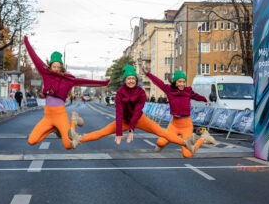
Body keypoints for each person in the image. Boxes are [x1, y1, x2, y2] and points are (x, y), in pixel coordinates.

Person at [68, 65, 196, 153]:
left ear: (136, 80)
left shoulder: (141, 92)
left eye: (133, 79)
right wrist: (119, 132)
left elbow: (136, 113)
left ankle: (185, 143)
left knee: (162, 132)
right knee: (103, 132)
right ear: (125, 80)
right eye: (128, 79)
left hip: (140, 119)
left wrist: (131, 131)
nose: (131, 81)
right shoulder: (120, 92)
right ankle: (79, 139)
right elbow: (118, 113)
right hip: (124, 120)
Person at [24, 36, 110, 149]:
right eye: (53, 66)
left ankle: (73, 121)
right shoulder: (45, 73)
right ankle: (53, 128)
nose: (55, 69)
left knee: (68, 145)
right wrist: (26, 42)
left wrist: (103, 83)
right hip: (48, 116)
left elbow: (86, 81)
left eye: (58, 67)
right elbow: (34, 57)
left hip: (60, 115)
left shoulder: (68, 80)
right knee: (32, 141)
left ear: (61, 67)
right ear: (50, 66)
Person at [142, 64, 216, 158]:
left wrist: (205, 99)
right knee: (160, 143)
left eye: (183, 82)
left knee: (187, 154)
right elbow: (158, 82)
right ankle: (164, 143)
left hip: (186, 125)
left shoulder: (188, 91)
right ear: (175, 82)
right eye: (179, 81)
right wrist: (147, 73)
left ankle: (204, 138)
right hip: (174, 125)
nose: (182, 84)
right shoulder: (169, 90)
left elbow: (197, 96)